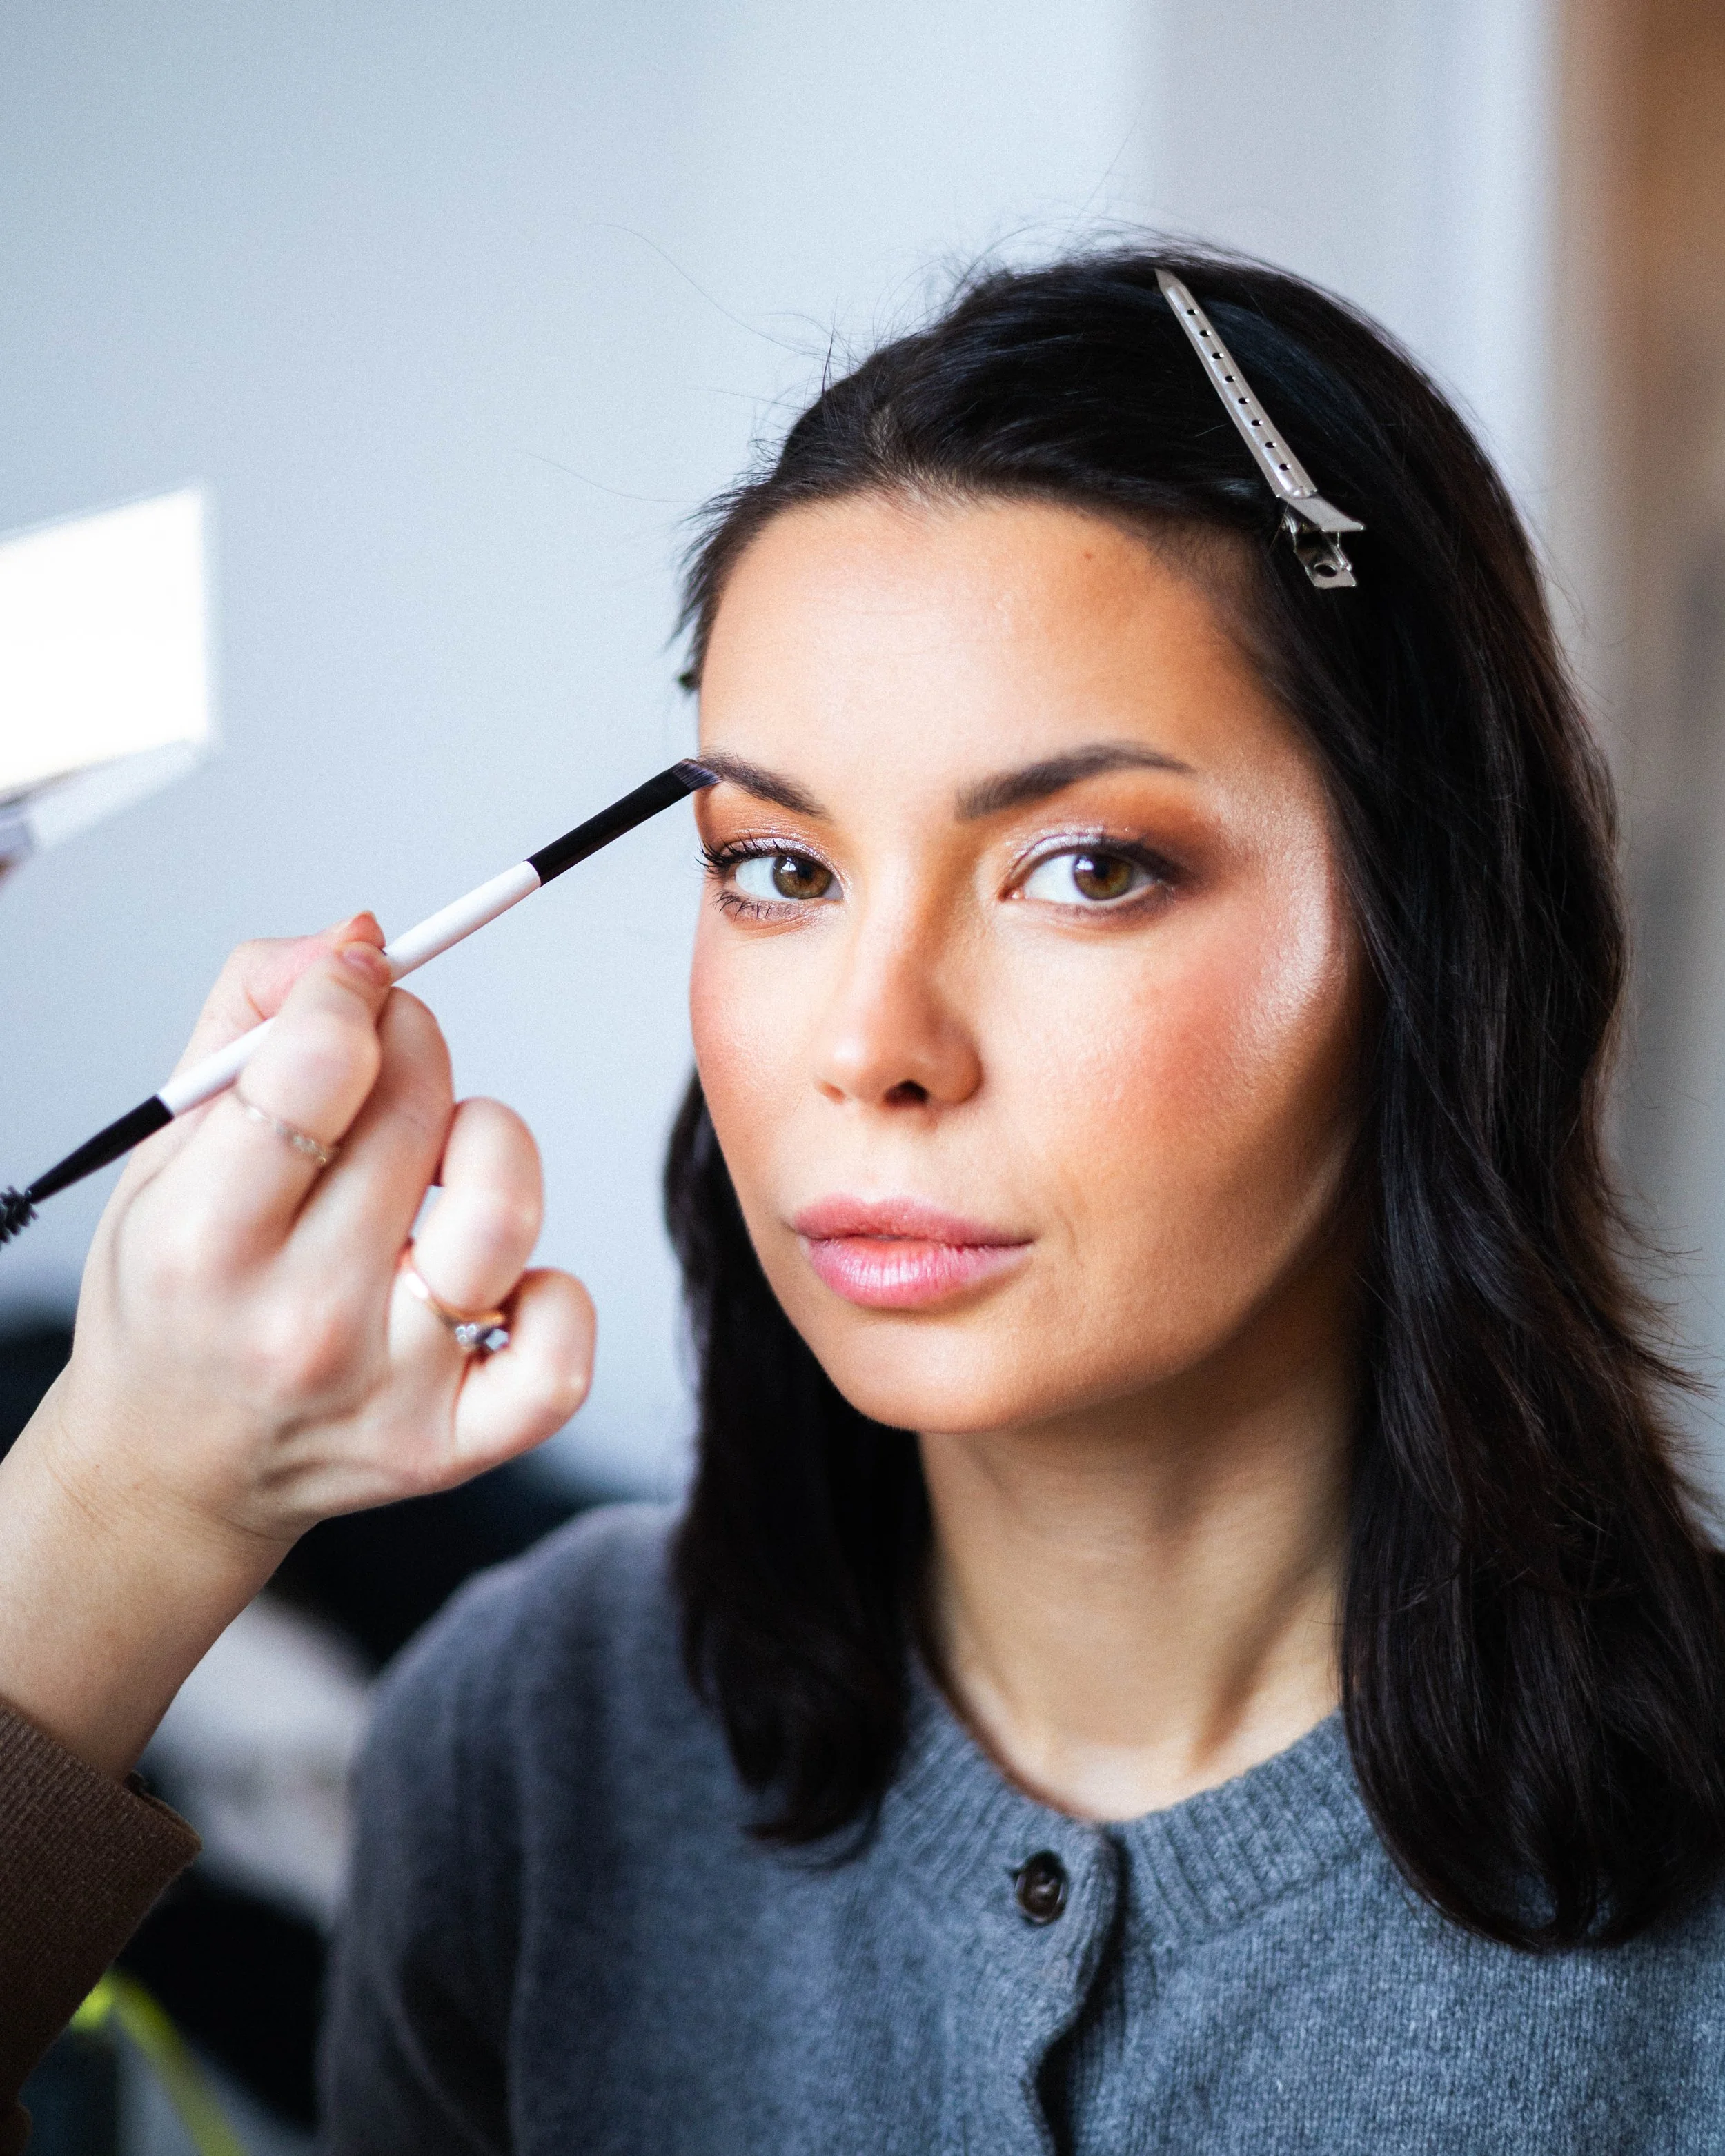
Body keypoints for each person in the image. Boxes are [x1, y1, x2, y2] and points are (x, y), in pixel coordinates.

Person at [6, 245, 1725, 2152]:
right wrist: (124, 1491)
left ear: (1439, 934)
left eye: (1083, 867)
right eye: (778, 869)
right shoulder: (524, 1741)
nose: (869, 1044)